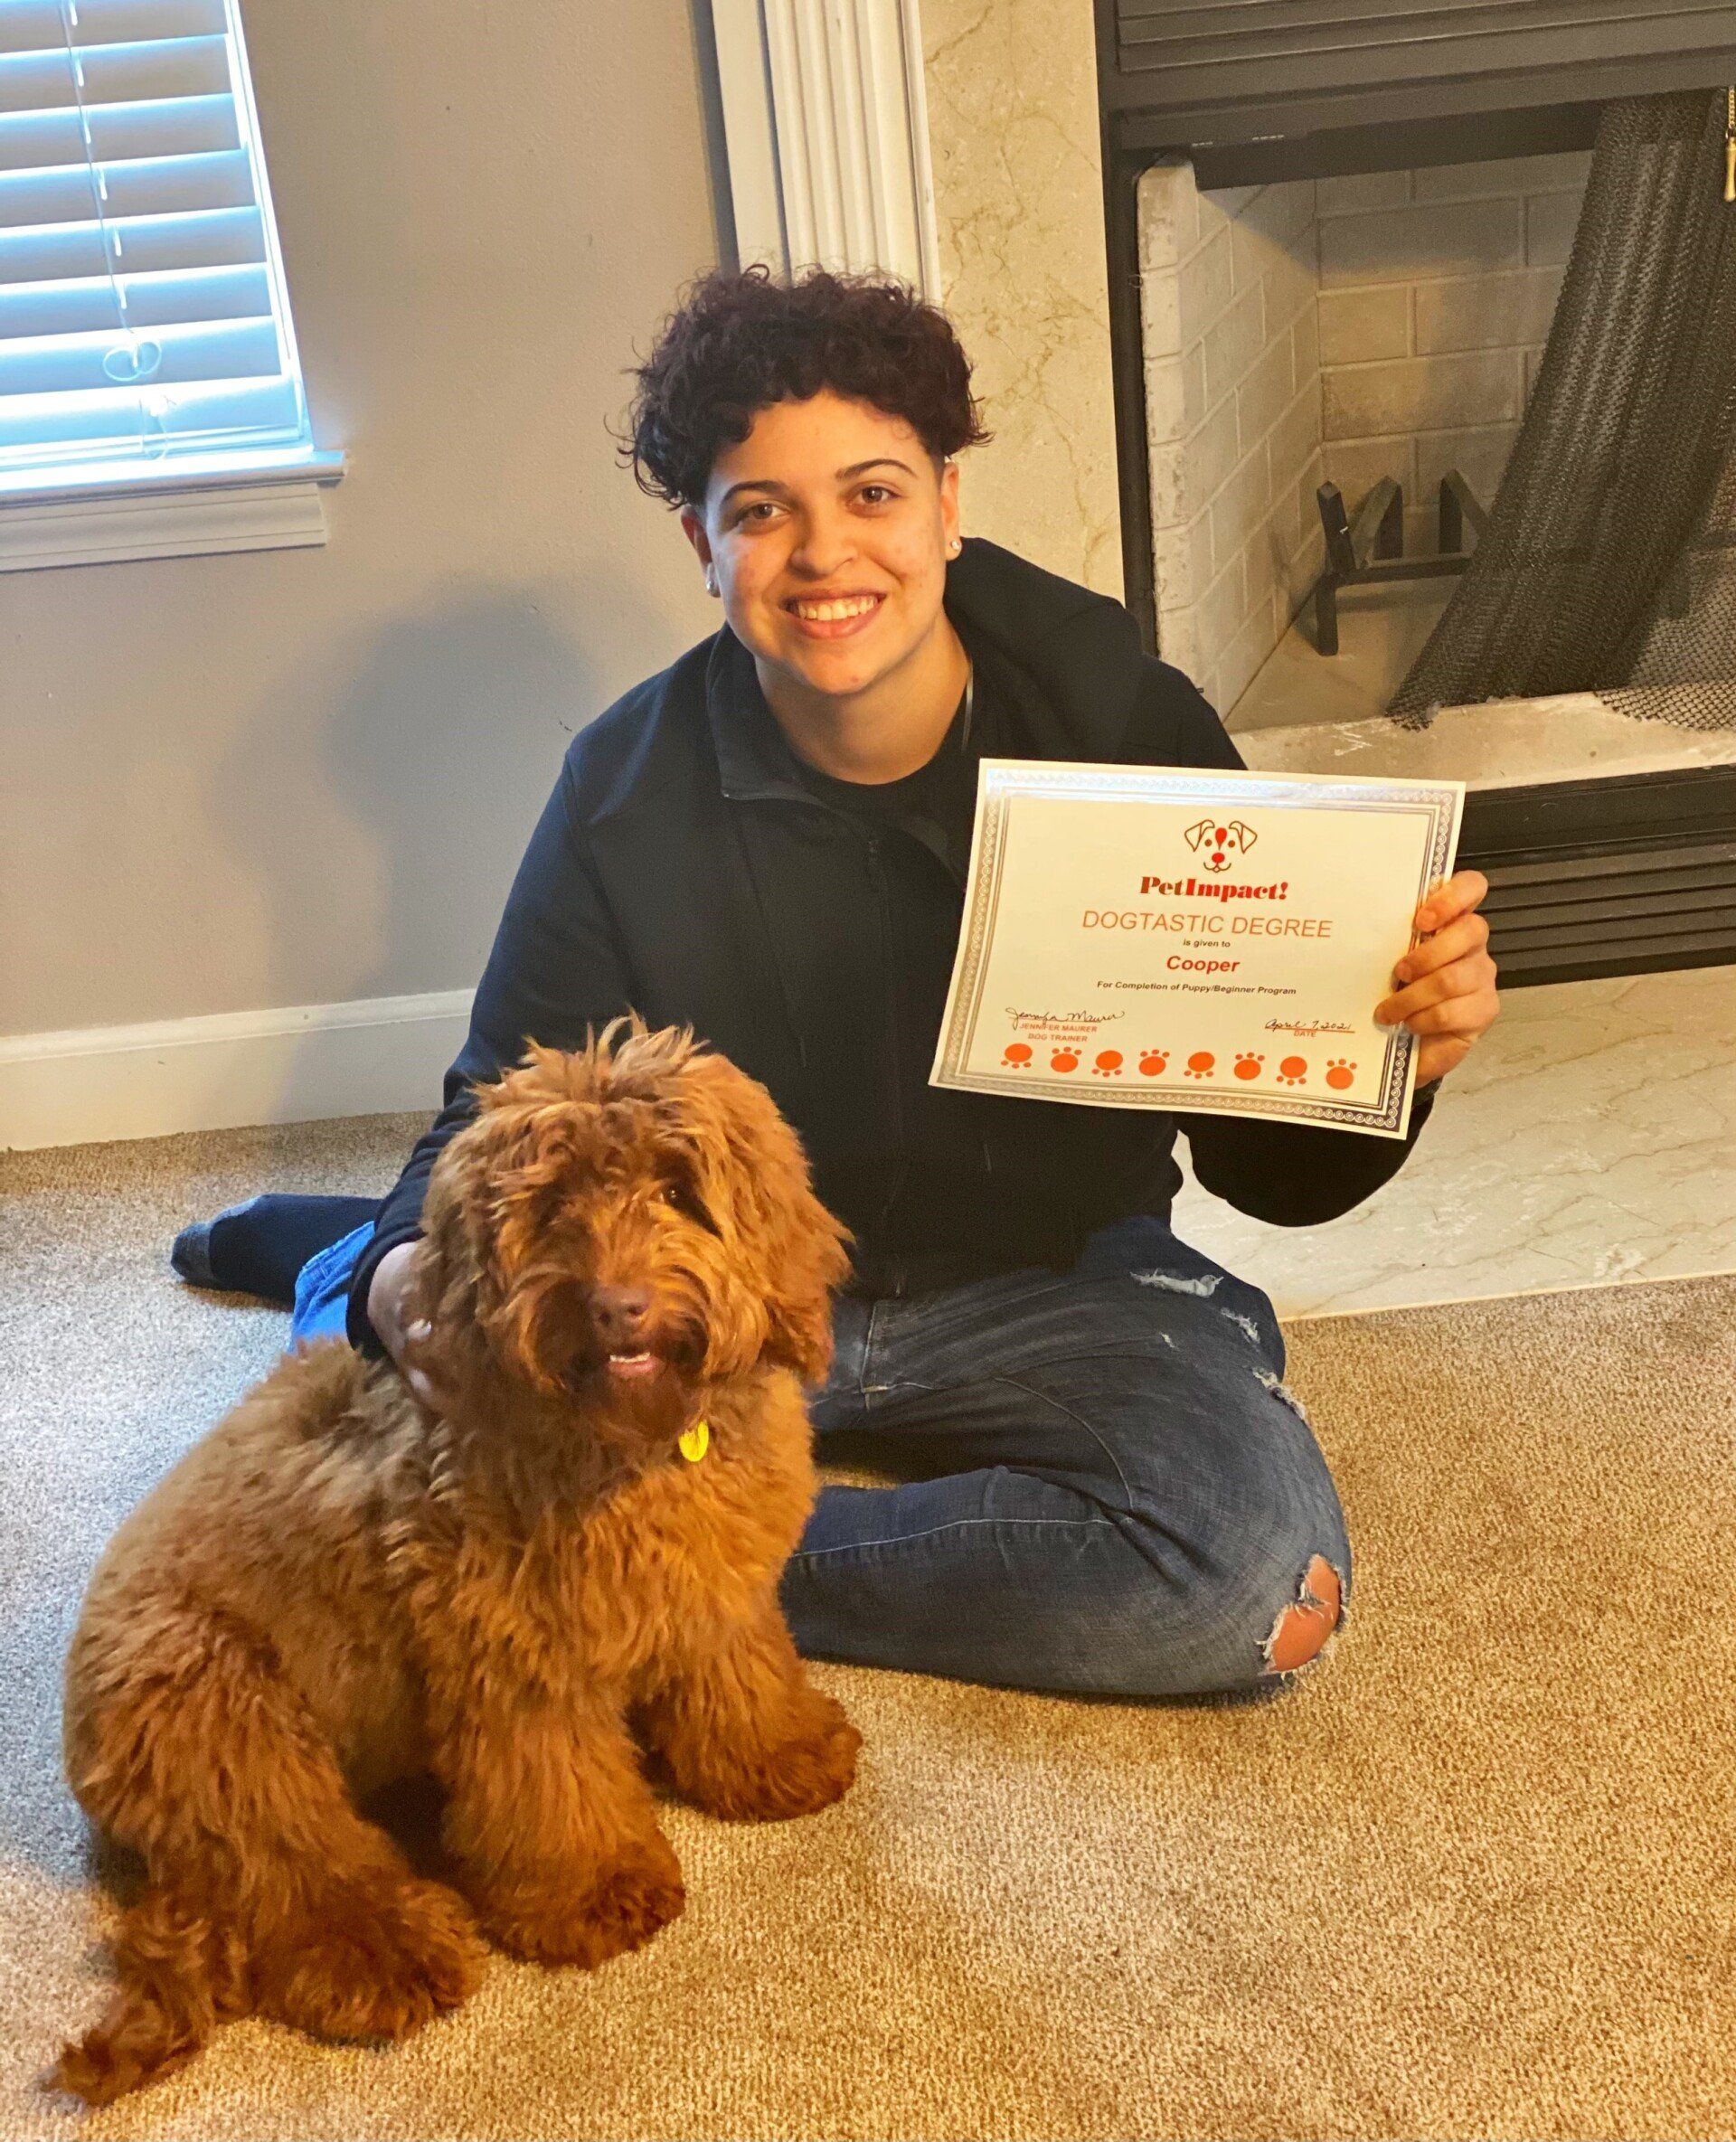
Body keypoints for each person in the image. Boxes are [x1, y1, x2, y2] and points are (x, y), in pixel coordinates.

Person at [176, 266, 1500, 1700]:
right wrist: (392, 1272)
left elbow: (1267, 1172)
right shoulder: (624, 790)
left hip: (1050, 1276)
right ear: (700, 539)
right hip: (720, 1286)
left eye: (871, 493)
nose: (822, 553)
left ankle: (682, 1577)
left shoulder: (1126, 728)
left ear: (946, 501)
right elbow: (486, 1122)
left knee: (1252, 1578)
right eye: (761, 510)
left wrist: (1396, 1063)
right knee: (413, 1394)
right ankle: (329, 1259)